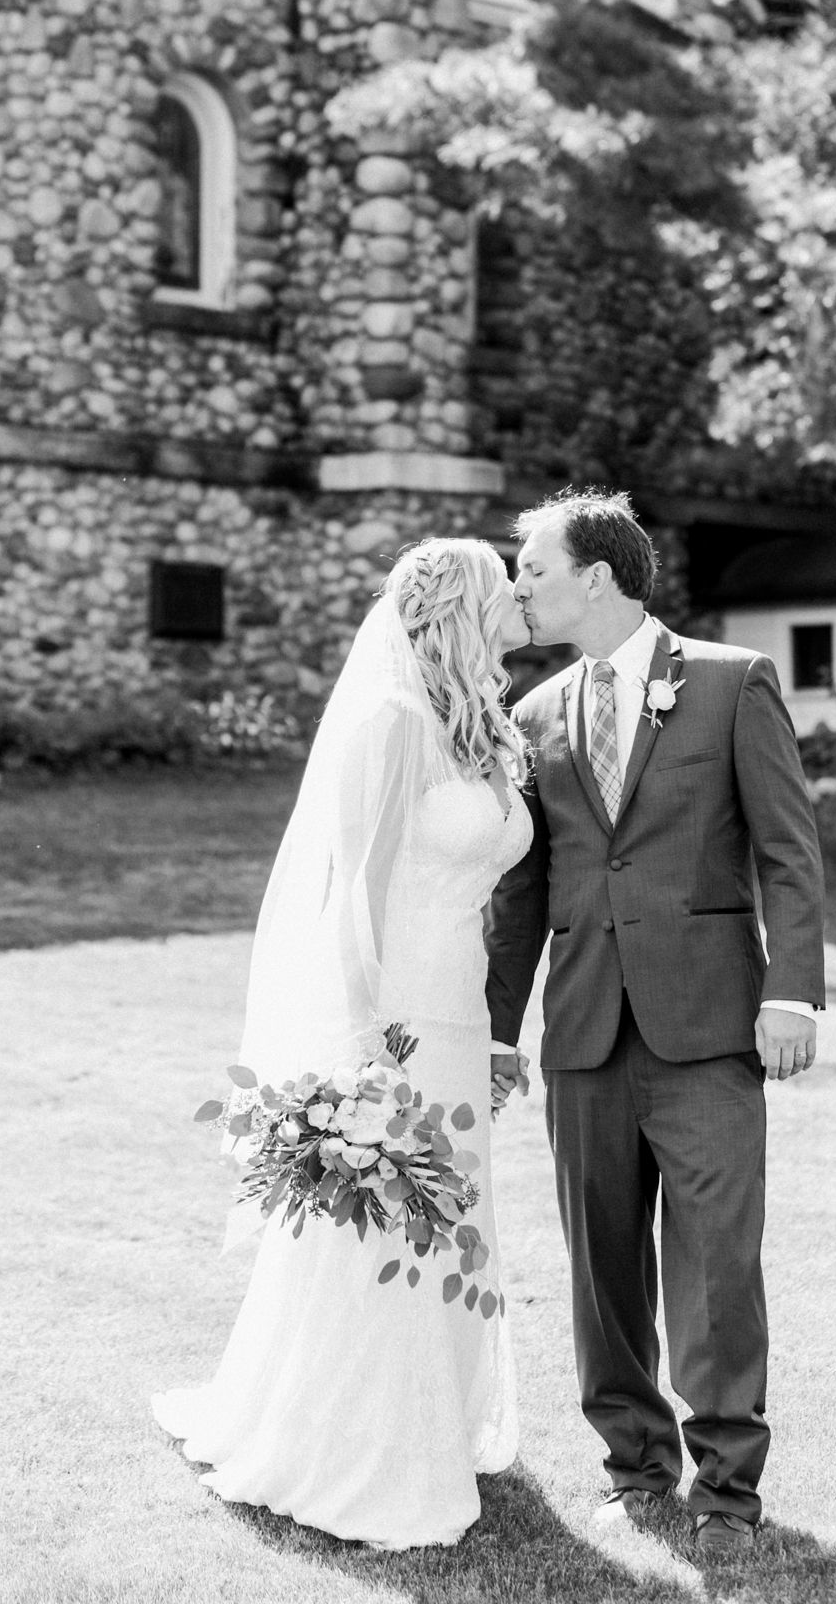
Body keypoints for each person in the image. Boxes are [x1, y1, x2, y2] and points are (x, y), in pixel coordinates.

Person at [153, 537, 534, 1549]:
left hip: (458, 1012)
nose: (516, 601)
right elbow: (347, 894)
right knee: (385, 1229)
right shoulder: (389, 720)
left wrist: (492, 1032)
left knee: (452, 1218)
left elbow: (479, 895)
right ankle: (362, 1447)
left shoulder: (476, 727)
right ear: (462, 608)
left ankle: (439, 1426)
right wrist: (365, 1035)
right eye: (503, 590)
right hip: (396, 1015)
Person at [485, 490, 825, 1556]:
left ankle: (727, 1489)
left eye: (531, 566)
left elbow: (786, 850)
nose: (518, 584)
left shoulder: (730, 684)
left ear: (596, 576)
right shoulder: (534, 715)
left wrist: (790, 991)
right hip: (583, 1028)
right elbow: (523, 895)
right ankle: (634, 1469)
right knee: (600, 1263)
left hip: (710, 1026)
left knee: (717, 1258)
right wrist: (497, 1030)